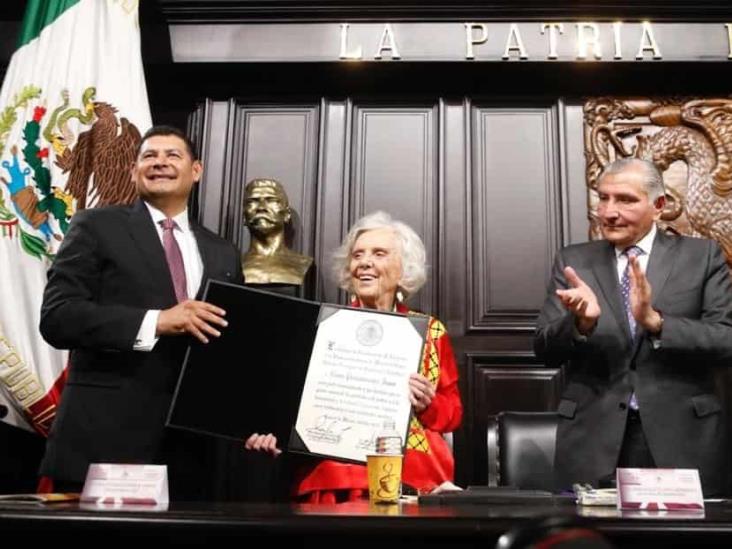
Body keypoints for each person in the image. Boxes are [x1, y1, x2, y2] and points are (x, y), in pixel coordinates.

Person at [39, 125, 245, 500]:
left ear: (195, 171)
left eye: (172, 155)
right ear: (134, 172)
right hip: (105, 441)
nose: (160, 163)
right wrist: (157, 321)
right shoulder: (96, 226)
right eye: (149, 156)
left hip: (194, 452)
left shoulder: (223, 252)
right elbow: (58, 316)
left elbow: (232, 346)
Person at [535, 157, 732, 495]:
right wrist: (580, 324)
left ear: (659, 205)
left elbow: (725, 339)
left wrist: (658, 324)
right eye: (603, 198)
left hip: (682, 436)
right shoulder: (574, 262)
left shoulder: (702, 257)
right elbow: (543, 348)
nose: (609, 211)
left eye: (625, 199)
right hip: (594, 437)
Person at [248, 210, 463, 502]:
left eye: (379, 253)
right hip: (335, 470)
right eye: (358, 255)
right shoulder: (323, 328)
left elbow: (452, 414)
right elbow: (292, 406)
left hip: (411, 470)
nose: (364, 262)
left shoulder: (431, 332)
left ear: (404, 268)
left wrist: (428, 403)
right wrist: (275, 435)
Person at [241, 178, 312, 285]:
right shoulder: (233, 265)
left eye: (271, 200)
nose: (261, 208)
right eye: (252, 201)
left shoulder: (303, 264)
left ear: (287, 214)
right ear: (244, 217)